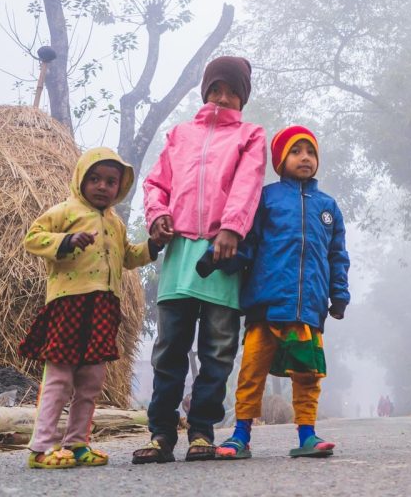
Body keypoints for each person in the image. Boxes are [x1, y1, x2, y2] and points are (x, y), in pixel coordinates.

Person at [132, 56, 267, 464]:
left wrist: (232, 227)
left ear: (242, 97)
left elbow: (249, 182)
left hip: (221, 254)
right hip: (178, 255)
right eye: (216, 89)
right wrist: (157, 216)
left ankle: (203, 432)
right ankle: (160, 434)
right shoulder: (180, 134)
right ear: (205, 91)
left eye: (231, 91)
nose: (223, 97)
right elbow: (156, 182)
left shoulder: (250, 135)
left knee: (218, 349)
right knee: (170, 346)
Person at [205, 125, 350, 460]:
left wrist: (338, 294)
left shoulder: (328, 207)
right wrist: (220, 260)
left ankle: (307, 435)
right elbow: (248, 244)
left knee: (308, 374)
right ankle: (240, 435)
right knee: (252, 370)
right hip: (266, 304)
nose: (305, 158)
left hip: (308, 308)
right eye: (296, 152)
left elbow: (337, 255)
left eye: (311, 152)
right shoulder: (267, 198)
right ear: (280, 160)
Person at [19, 147, 157, 469]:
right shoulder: (65, 211)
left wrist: (154, 245)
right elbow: (33, 238)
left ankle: (78, 443)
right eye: (94, 178)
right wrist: (65, 242)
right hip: (69, 304)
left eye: (111, 181)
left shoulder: (116, 223)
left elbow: (129, 258)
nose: (102, 186)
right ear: (81, 179)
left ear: (119, 188)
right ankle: (42, 447)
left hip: (103, 308)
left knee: (92, 380)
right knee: (60, 376)